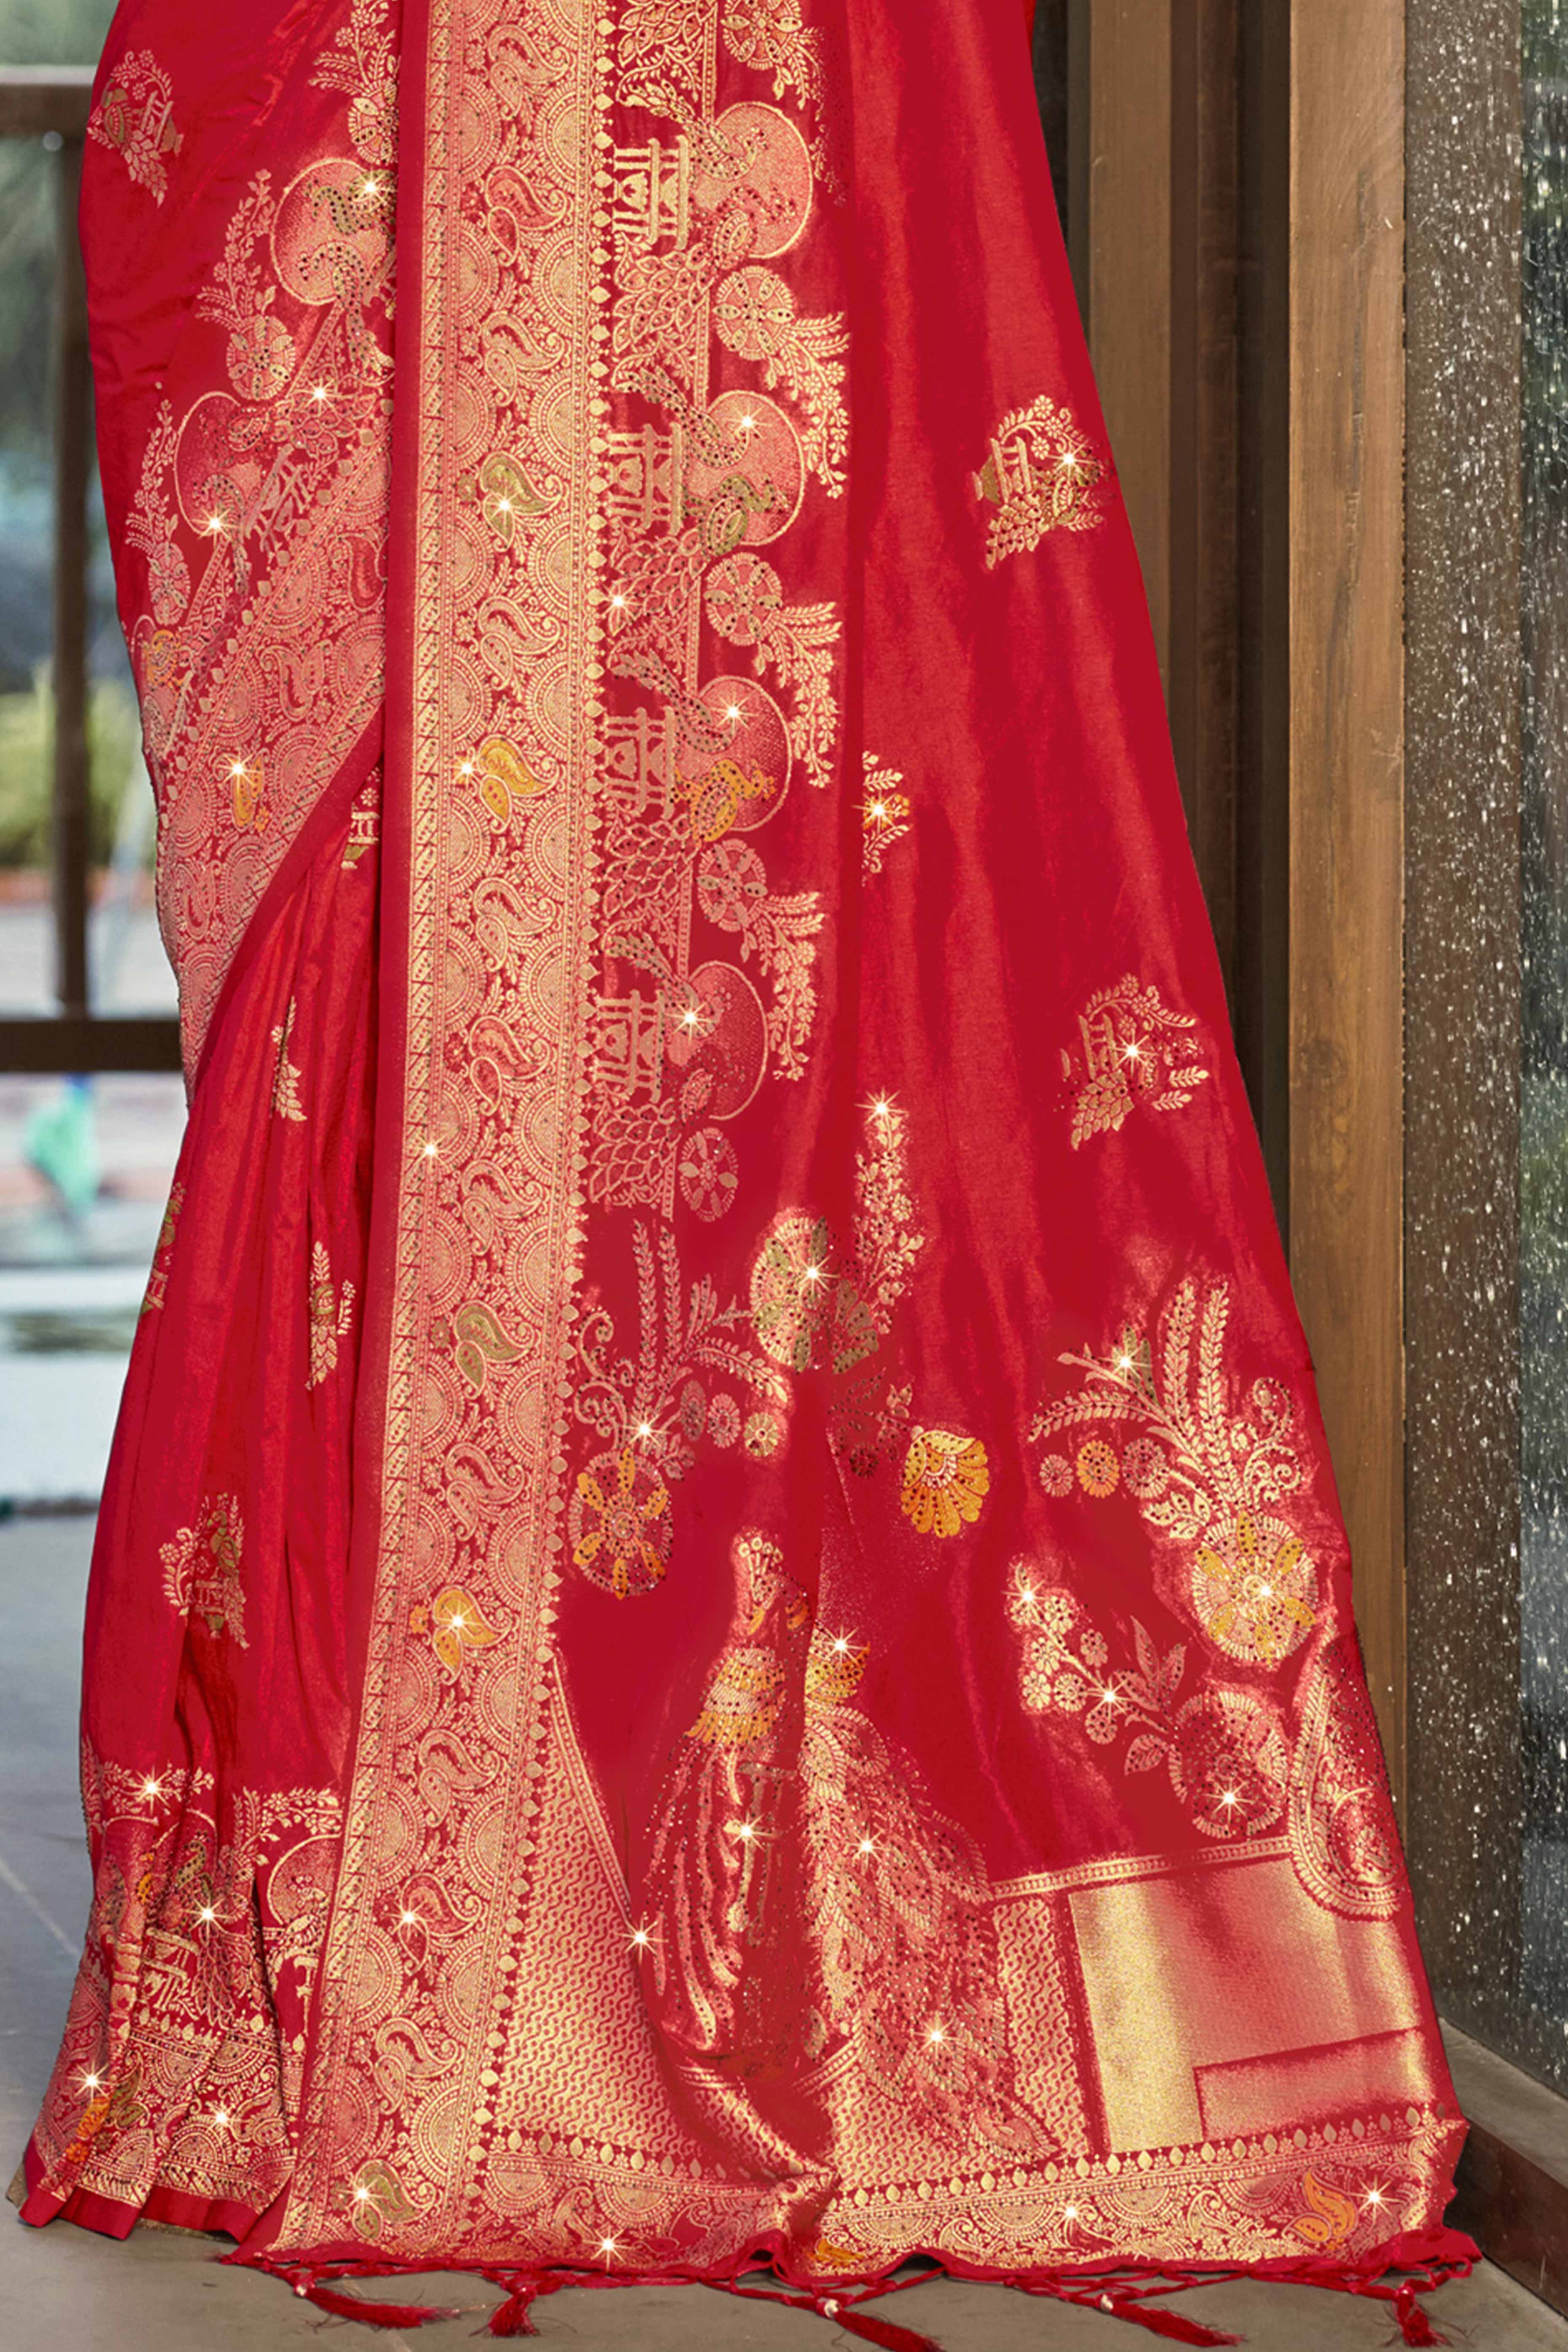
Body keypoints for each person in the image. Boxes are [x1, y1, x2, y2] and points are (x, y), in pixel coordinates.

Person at [16, 3, 1475, 2340]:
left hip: (775, 140)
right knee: (433, 950)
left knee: (854, 860)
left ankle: (752, 1984)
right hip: (463, 145)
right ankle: (426, 1942)